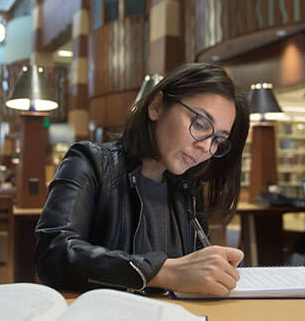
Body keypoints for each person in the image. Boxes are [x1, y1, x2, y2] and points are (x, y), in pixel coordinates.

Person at [34, 63, 250, 296]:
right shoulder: (90, 162)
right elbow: (53, 254)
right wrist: (164, 273)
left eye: (218, 139)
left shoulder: (187, 189)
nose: (206, 147)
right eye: (200, 124)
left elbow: (194, 272)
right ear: (157, 106)